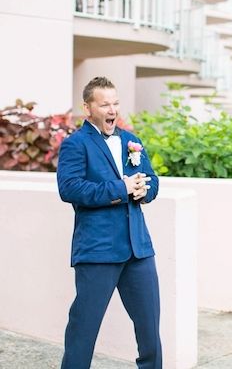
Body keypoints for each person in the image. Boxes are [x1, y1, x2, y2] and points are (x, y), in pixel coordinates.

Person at [57, 76, 162, 368]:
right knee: (83, 331)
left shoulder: (132, 141)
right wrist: (122, 189)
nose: (112, 109)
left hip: (139, 250)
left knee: (150, 331)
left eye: (115, 103)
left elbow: (151, 181)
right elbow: (71, 189)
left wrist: (144, 190)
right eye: (104, 104)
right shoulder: (75, 145)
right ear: (88, 107)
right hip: (98, 250)